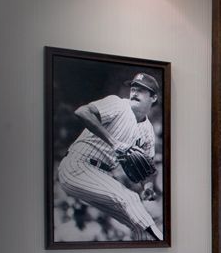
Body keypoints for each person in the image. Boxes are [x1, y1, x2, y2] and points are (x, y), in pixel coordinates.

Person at [56, 72, 163, 241]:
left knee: (136, 224)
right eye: (133, 88)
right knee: (130, 198)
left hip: (100, 175)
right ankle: (164, 241)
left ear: (153, 97)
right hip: (77, 164)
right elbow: (82, 112)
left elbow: (148, 169)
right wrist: (114, 142)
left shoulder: (148, 131)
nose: (135, 92)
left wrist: (147, 187)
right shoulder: (118, 104)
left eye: (141, 90)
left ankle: (150, 249)